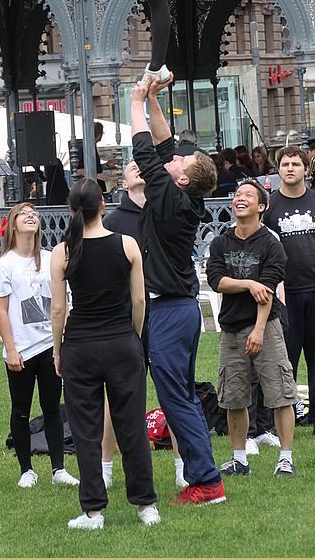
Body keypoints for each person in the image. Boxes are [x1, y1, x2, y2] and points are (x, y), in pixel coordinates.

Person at [130, 73, 225, 506]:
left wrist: (134, 101)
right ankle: (199, 475)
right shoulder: (187, 194)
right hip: (177, 310)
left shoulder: (169, 197)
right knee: (181, 397)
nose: (173, 162)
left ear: (182, 180)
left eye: (179, 166)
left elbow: (146, 151)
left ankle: (207, 482)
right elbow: (166, 147)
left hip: (168, 312)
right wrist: (153, 98)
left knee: (176, 399)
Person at [51, 178, 159, 530]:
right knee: (132, 426)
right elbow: (140, 301)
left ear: (70, 210)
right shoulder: (127, 244)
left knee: (86, 431)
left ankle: (93, 511)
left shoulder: (63, 251)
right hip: (122, 342)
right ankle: (146, 507)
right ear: (104, 206)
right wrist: (134, 338)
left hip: (79, 345)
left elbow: (57, 309)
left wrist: (57, 351)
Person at [101, 160, 186, 491]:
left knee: (174, 392)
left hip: (165, 315)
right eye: (131, 167)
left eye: (142, 165)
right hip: (124, 320)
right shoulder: (112, 222)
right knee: (117, 396)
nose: (138, 168)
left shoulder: (163, 213)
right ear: (123, 184)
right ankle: (105, 468)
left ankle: (182, 466)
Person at [207, 180, 297, 477]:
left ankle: (285, 458)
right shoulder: (221, 243)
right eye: (237, 195)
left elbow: (267, 292)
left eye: (248, 195)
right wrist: (248, 282)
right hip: (231, 330)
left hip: (266, 326)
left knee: (281, 393)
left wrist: (258, 331)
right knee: (234, 397)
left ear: (261, 207)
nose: (239, 199)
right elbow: (216, 280)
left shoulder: (271, 244)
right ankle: (239, 459)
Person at [0, 202, 79, 490]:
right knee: (21, 409)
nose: (31, 216)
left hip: (49, 345)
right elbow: (1, 311)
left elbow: (62, 300)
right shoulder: (5, 264)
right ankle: (26, 469)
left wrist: (62, 338)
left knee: (52, 406)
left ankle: (58, 468)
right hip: (23, 348)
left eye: (34, 214)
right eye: (24, 214)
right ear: (12, 225)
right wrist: (11, 349)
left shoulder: (51, 257)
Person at [262, 147, 315, 437]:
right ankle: (279, 420)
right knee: (284, 360)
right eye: (284, 164)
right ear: (278, 170)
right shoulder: (269, 207)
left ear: (306, 170)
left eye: (296, 164)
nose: (290, 168)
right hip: (285, 296)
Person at [75, 122, 116, 194]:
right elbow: (79, 170)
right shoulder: (85, 148)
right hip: (92, 188)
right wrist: (97, 176)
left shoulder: (91, 147)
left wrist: (107, 165)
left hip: (97, 186)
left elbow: (95, 167)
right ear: (99, 134)